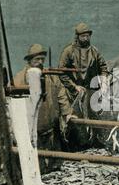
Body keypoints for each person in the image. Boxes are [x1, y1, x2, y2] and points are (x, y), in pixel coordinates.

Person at [14, 43, 74, 171]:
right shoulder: (20, 79)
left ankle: (54, 171)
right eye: (37, 60)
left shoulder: (51, 76)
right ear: (30, 61)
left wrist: (66, 113)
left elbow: (61, 94)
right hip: (33, 128)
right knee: (36, 163)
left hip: (51, 126)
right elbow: (12, 103)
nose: (40, 62)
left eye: (42, 59)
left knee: (55, 162)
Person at [58, 23, 108, 148]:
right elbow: (61, 72)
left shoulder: (94, 51)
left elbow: (103, 67)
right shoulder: (68, 51)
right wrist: (74, 86)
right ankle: (77, 145)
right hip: (74, 90)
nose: (86, 39)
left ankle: (96, 142)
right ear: (77, 36)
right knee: (75, 118)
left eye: (87, 36)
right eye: (83, 36)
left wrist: (104, 82)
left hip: (91, 89)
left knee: (94, 115)